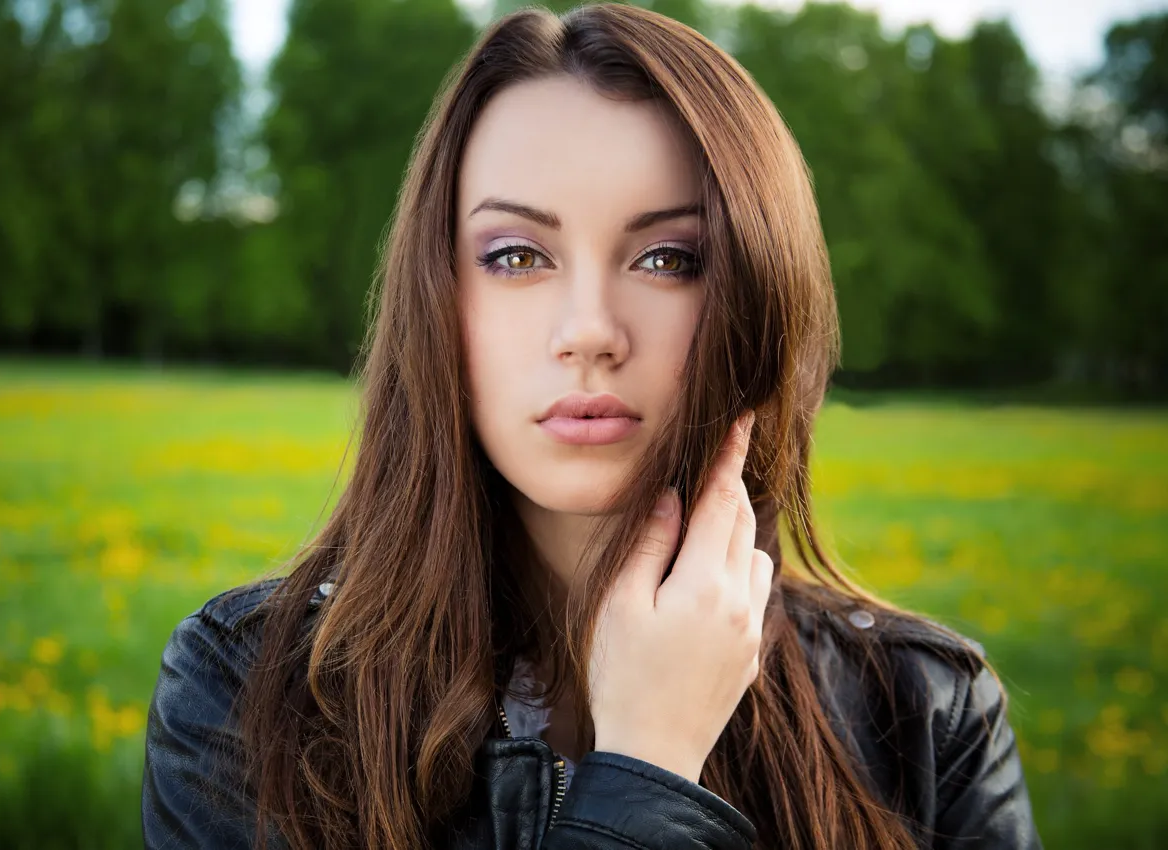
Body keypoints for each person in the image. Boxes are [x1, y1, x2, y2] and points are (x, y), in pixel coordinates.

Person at [141, 4, 1042, 849]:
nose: (589, 333)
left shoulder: (925, 714)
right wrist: (648, 767)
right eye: (517, 256)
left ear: (760, 299)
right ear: (438, 301)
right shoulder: (246, 695)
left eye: (668, 258)